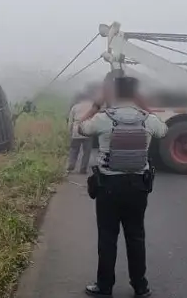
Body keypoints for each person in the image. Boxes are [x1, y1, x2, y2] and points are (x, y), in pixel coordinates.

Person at [76, 73, 167, 298]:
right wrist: (144, 105)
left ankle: (104, 287)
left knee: (107, 237)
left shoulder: (104, 118)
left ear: (113, 93)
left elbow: (80, 128)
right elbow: (163, 131)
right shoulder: (147, 119)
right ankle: (140, 286)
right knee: (136, 236)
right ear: (136, 94)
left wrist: (97, 104)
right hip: (138, 187)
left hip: (109, 187)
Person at [66, 84, 97, 174]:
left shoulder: (75, 107)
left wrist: (70, 131)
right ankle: (83, 168)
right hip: (88, 130)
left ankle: (71, 166)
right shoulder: (93, 106)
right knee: (87, 152)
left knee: (74, 150)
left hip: (76, 130)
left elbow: (70, 121)